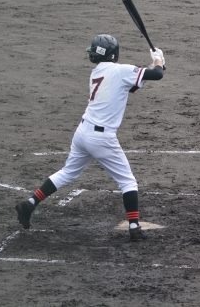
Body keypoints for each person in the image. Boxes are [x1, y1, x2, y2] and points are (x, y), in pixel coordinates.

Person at [15, 35, 165, 242]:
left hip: (82, 133)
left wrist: (155, 65)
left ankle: (31, 203)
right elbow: (157, 75)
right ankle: (134, 227)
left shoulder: (98, 72)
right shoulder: (120, 70)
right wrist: (158, 61)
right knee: (128, 181)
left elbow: (133, 85)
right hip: (101, 138)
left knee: (68, 172)